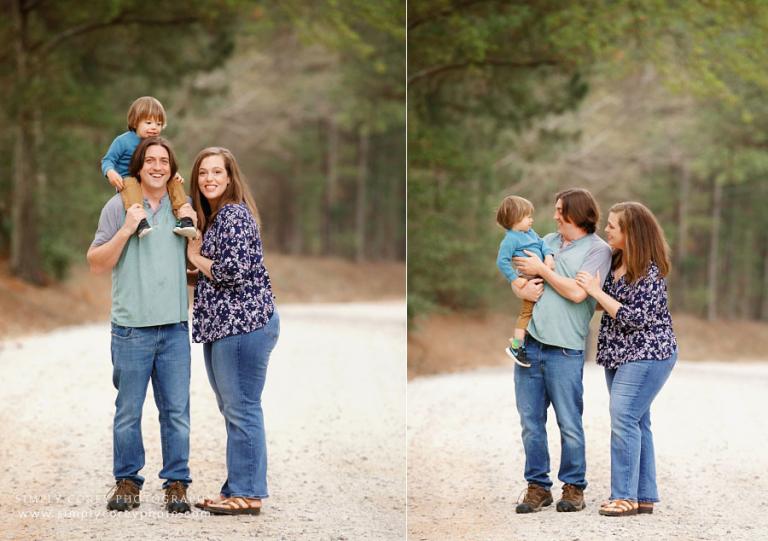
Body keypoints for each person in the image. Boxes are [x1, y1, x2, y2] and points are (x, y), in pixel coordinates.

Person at [87, 136, 196, 514]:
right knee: (128, 410)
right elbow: (97, 263)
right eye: (149, 160)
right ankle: (127, 481)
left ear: (171, 167)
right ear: (138, 166)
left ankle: (177, 483)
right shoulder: (119, 206)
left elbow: (194, 260)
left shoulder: (183, 207)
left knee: (177, 412)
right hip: (131, 329)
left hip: (175, 329)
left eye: (163, 160)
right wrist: (126, 228)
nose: (156, 166)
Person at [185, 147, 280, 516]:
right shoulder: (217, 218)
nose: (209, 179)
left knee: (242, 409)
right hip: (225, 327)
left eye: (217, 172)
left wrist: (195, 258)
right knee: (234, 408)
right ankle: (236, 489)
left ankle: (248, 494)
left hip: (244, 326)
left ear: (229, 178)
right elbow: (216, 274)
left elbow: (231, 272)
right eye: (203, 173)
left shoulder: (234, 215)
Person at [510, 188, 612, 514]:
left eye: (559, 210)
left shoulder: (598, 250)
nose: (554, 216)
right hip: (531, 345)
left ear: (576, 214)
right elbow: (520, 269)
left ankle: (574, 486)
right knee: (530, 422)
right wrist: (523, 282)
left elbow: (578, 294)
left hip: (565, 349)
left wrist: (543, 271)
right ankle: (537, 487)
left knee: (569, 423)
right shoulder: (548, 241)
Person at [574, 201, 677, 517]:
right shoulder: (614, 260)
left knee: (622, 418)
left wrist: (595, 292)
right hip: (618, 354)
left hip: (649, 353)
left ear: (631, 232)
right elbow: (602, 302)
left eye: (612, 226)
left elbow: (635, 317)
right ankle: (643, 496)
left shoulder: (650, 271)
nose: (606, 230)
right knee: (637, 421)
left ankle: (624, 496)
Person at [101, 96, 196, 238]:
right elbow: (108, 160)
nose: (154, 127)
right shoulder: (123, 141)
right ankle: (140, 222)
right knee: (132, 185)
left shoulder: (155, 143)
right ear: (135, 122)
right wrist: (110, 172)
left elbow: (162, 163)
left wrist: (173, 173)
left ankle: (184, 218)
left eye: (158, 124)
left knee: (175, 182)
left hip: (150, 180)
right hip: (128, 179)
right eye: (149, 122)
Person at [496, 195, 555, 367]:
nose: (531, 219)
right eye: (527, 216)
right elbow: (502, 261)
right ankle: (516, 346)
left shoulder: (530, 233)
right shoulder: (511, 239)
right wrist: (515, 280)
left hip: (541, 274)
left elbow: (542, 244)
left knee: (536, 310)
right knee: (526, 313)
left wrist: (549, 256)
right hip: (528, 279)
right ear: (514, 219)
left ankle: (529, 339)